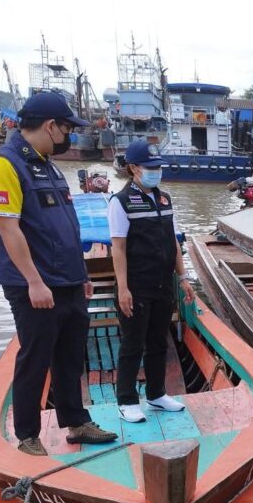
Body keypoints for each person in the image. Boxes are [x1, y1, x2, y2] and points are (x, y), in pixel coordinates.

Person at [0, 91, 118, 456]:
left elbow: (66, 225)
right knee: (36, 358)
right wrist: (34, 281)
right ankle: (27, 436)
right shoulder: (3, 165)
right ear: (50, 126)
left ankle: (76, 422)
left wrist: (82, 273)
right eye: (67, 129)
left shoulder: (48, 166)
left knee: (71, 356)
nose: (68, 136)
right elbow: (8, 229)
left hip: (68, 279)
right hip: (36, 284)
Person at [108, 140, 195, 423]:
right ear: (134, 168)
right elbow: (118, 247)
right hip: (136, 284)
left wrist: (183, 278)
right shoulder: (120, 202)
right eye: (150, 167)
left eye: (158, 167)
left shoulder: (165, 199)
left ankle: (156, 394)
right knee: (133, 343)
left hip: (163, 283)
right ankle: (126, 400)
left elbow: (174, 242)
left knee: (159, 342)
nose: (156, 172)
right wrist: (123, 289)